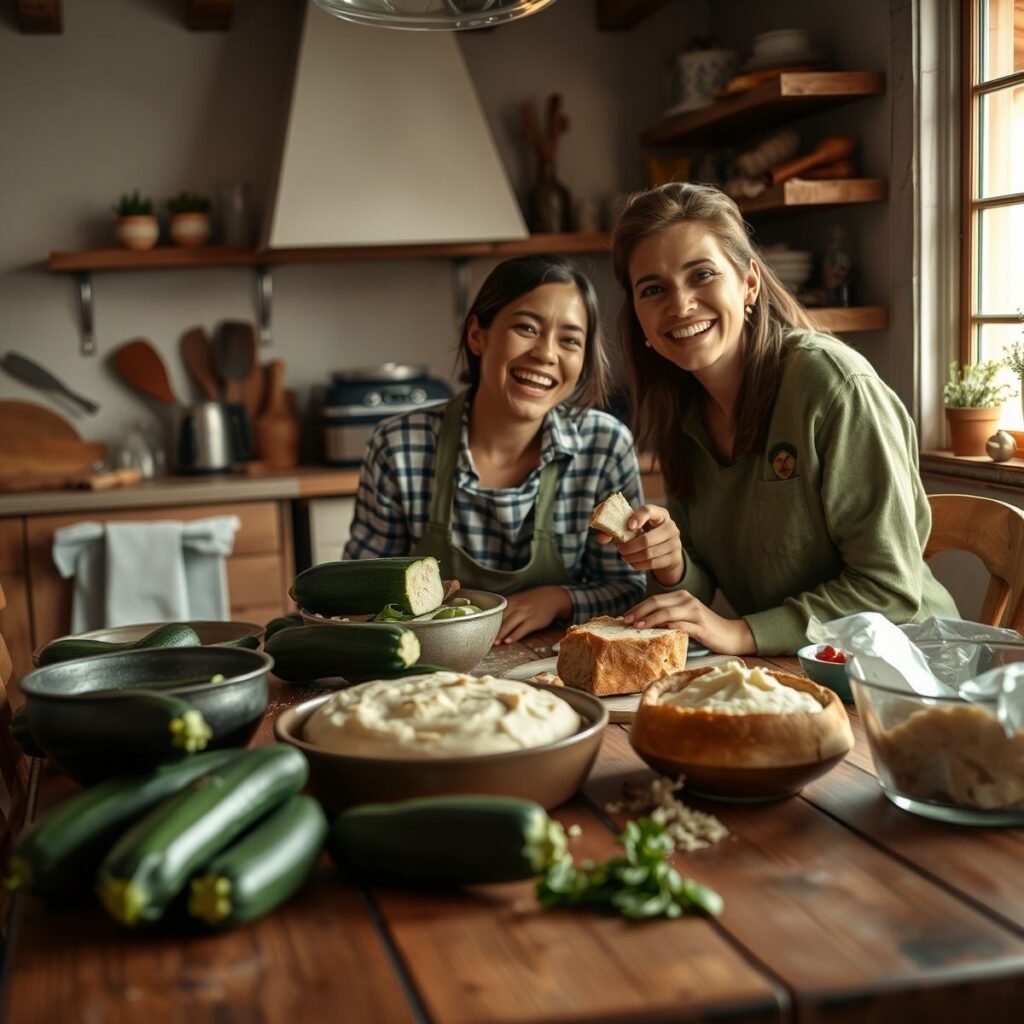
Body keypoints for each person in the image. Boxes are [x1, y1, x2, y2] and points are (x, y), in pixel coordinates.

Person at [601, 182, 958, 656]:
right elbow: (700, 587)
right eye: (653, 289)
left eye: (702, 275)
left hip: (909, 673)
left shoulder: (831, 384)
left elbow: (889, 590)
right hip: (793, 670)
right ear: (639, 318)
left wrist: (740, 633)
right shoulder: (679, 411)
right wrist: (671, 565)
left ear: (748, 283)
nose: (680, 304)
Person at [344, 254, 646, 644]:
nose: (546, 353)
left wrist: (556, 600)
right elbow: (360, 591)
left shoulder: (604, 446)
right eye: (526, 327)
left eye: (570, 340)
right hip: (428, 668)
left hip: (557, 671)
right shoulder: (400, 446)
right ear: (477, 334)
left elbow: (629, 588)